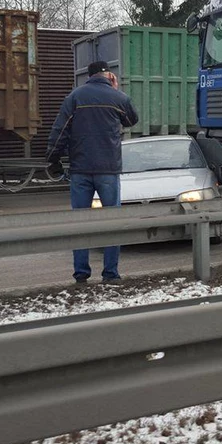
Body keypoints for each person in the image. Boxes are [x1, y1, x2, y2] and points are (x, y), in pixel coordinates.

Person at [46, 61, 139, 284]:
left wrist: (53, 159)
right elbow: (131, 120)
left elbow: (60, 130)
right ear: (108, 74)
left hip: (80, 170)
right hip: (108, 169)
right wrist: (116, 92)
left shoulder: (75, 97)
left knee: (80, 223)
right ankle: (110, 274)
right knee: (112, 222)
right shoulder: (118, 98)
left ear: (88, 76)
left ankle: (81, 273)